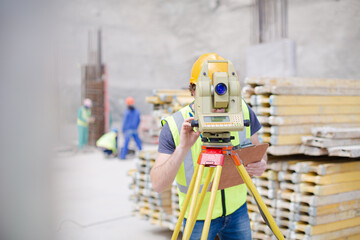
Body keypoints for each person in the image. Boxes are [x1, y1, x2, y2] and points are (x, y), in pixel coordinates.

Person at [150, 53, 267, 240]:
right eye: (211, 90)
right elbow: (157, 184)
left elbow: (258, 150)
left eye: (224, 89)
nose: (219, 98)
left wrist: (261, 163)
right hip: (197, 216)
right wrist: (183, 148)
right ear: (195, 91)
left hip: (237, 211)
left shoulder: (242, 110)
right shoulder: (176, 124)